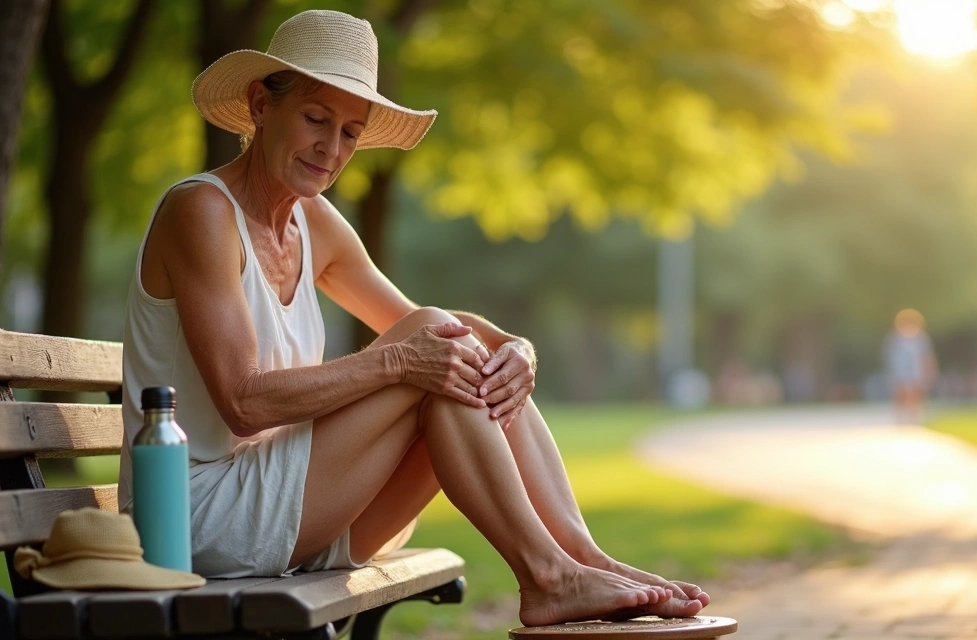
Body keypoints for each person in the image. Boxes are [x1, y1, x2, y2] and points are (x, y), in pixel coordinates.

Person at [116, 10, 707, 627]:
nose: (332, 148)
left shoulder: (310, 223)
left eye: (350, 132)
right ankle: (550, 575)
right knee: (434, 346)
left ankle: (579, 557)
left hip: (299, 508)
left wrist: (517, 349)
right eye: (316, 119)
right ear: (261, 104)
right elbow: (244, 402)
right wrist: (397, 360)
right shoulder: (202, 212)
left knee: (455, 349)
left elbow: (430, 327)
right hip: (196, 518)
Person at [883, 309, 937, 425]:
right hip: (899, 370)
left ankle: (915, 419)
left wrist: (929, 370)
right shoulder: (894, 337)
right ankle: (901, 420)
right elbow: (890, 356)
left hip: (916, 370)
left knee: (916, 394)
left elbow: (926, 355)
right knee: (901, 395)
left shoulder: (921, 337)